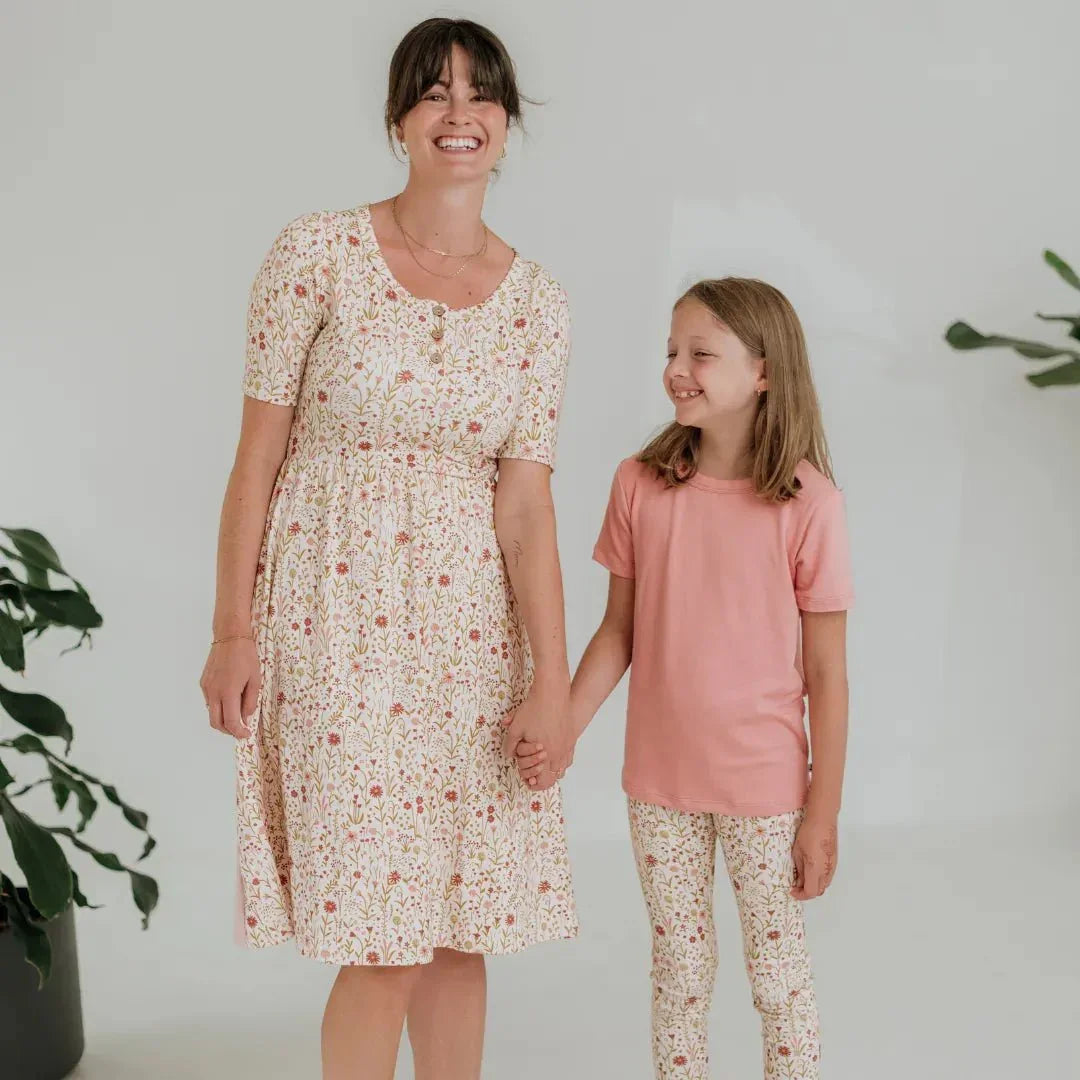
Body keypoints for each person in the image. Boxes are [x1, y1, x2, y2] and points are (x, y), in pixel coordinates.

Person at [198, 18, 578, 1080]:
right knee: (379, 932)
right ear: (398, 120)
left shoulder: (538, 305)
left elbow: (528, 509)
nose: (460, 116)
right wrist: (233, 630)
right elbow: (255, 461)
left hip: (470, 639)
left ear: (507, 124)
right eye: (434, 94)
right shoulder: (317, 252)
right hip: (334, 621)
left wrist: (550, 680)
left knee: (461, 924)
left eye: (481, 96)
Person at [516, 278, 854, 1078]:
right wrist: (562, 723)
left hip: (766, 790)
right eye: (672, 351)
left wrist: (823, 813)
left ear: (764, 372)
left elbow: (828, 675)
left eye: (702, 353)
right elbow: (618, 633)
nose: (678, 369)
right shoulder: (641, 484)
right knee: (679, 976)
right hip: (658, 784)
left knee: (778, 982)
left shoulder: (810, 504)